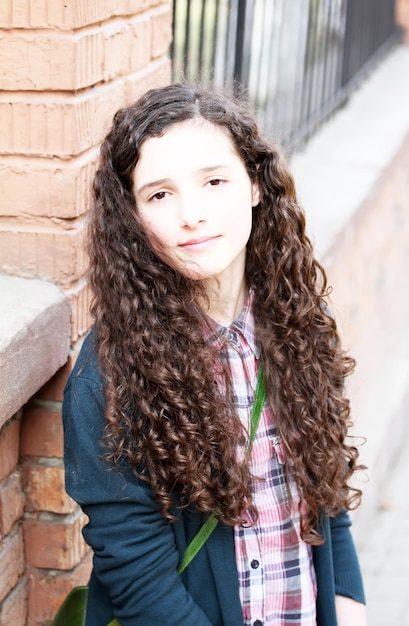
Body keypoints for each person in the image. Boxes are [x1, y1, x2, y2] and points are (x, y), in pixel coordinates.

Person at [62, 83, 367, 626]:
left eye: (214, 181)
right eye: (159, 194)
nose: (192, 215)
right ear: (132, 216)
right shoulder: (108, 375)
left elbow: (325, 481)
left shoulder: (296, 322)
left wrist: (347, 598)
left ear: (253, 183)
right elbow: (137, 576)